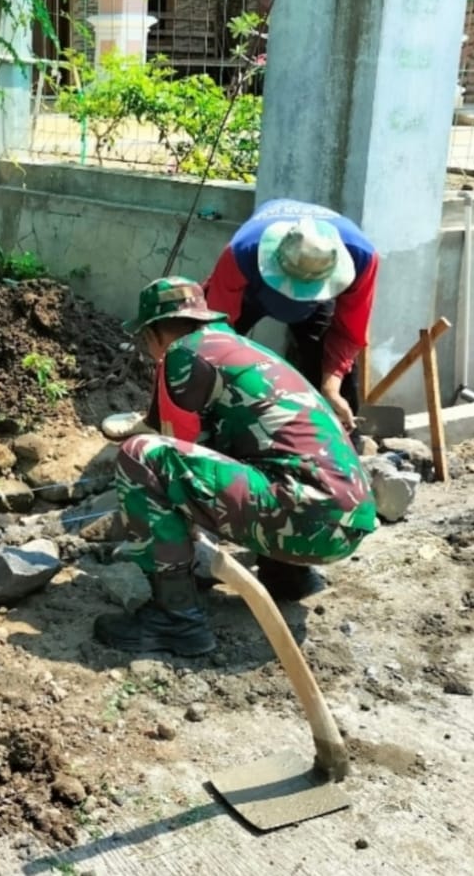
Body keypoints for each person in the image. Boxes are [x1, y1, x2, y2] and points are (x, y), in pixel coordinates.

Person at [93, 278, 377, 657]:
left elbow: (179, 444)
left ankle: (175, 619)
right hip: (343, 523)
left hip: (305, 519)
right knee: (260, 458)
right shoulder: (244, 350)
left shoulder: (185, 353)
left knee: (141, 454)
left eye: (147, 339)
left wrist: (164, 529)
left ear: (155, 331)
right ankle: (286, 574)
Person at [202, 199, 378, 437]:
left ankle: (340, 449)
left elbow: (349, 332)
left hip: (319, 302)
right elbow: (215, 330)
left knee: (337, 387)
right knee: (203, 365)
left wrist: (330, 389)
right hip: (252, 290)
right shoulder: (242, 253)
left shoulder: (362, 258)